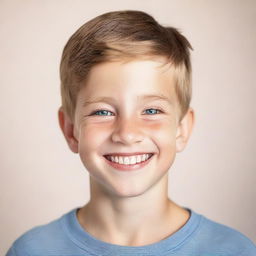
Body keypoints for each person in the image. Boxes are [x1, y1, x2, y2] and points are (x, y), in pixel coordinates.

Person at [6, 10, 255, 256]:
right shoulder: (31, 250)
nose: (126, 134)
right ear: (71, 131)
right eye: (102, 112)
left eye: (151, 110)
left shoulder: (234, 251)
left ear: (182, 129)